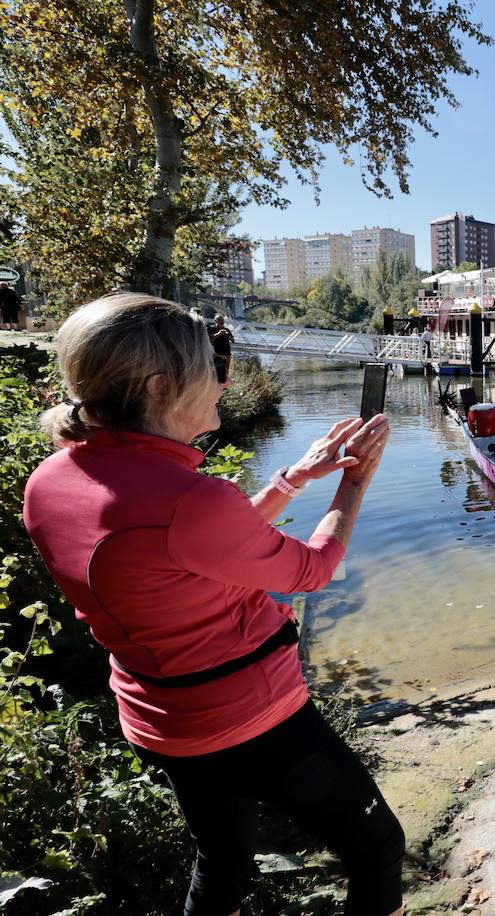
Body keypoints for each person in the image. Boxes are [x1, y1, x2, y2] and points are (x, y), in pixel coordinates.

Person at [22, 293, 403, 915]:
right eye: (212, 370)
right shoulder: (189, 500)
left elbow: (183, 553)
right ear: (158, 386)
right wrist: (353, 484)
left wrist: (290, 481)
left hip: (157, 719)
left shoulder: (51, 481)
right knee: (379, 849)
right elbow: (311, 570)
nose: (224, 384)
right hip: (253, 720)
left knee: (223, 861)